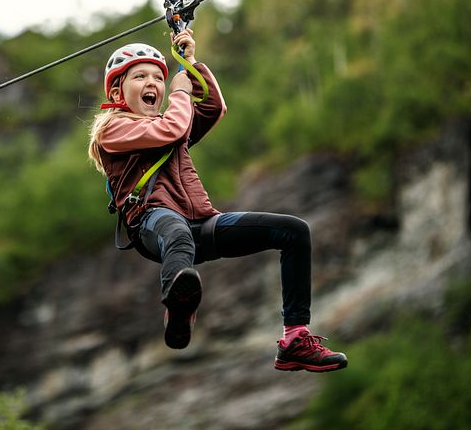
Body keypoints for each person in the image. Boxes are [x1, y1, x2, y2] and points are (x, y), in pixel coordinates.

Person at [87, 29, 347, 372]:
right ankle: (178, 304)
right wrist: (181, 91)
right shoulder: (114, 130)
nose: (152, 82)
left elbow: (212, 108)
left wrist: (190, 64)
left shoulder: (167, 125)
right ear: (119, 91)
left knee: (293, 232)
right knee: (176, 230)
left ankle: (295, 338)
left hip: (200, 222)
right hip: (153, 222)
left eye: (158, 77)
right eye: (140, 76)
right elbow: (174, 129)